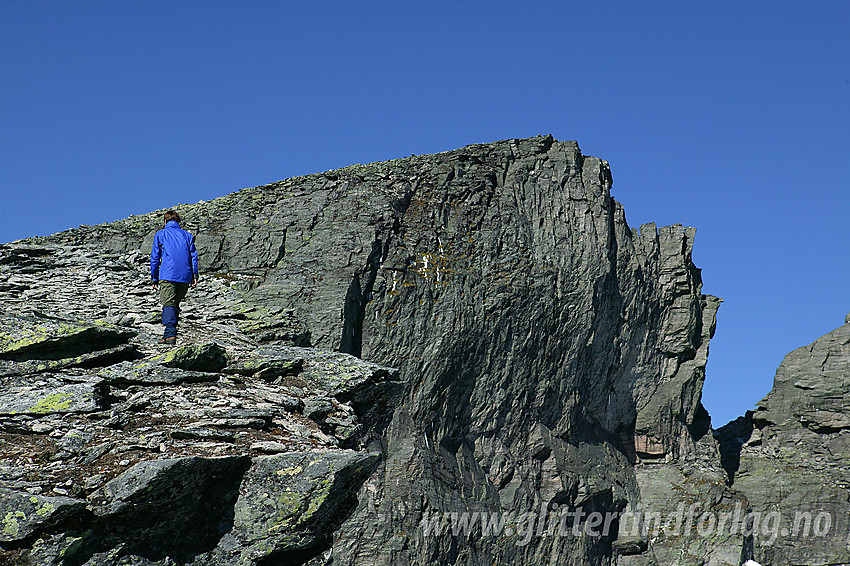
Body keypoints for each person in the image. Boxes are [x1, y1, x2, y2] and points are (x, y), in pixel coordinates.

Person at [150, 210, 198, 344]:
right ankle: (168, 334)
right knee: (175, 303)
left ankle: (170, 334)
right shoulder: (187, 235)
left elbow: (155, 257)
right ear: (178, 222)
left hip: (168, 274)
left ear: (165, 221)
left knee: (168, 303)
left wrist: (154, 277)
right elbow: (194, 256)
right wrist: (195, 275)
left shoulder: (161, 234)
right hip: (185, 276)